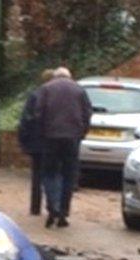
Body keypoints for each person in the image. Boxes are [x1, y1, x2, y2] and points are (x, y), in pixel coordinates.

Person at [35, 67, 91, 228]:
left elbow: (38, 114)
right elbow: (87, 114)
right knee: (69, 176)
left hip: (50, 137)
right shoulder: (79, 90)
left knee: (49, 173)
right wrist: (82, 134)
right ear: (69, 77)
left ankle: (53, 206)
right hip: (72, 138)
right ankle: (63, 212)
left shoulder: (46, 89)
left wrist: (41, 134)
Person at [17, 69, 54, 216]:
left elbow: (26, 119)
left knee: (37, 175)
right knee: (52, 174)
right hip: (52, 141)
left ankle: (35, 207)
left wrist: (24, 140)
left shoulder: (35, 95)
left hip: (36, 142)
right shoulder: (56, 96)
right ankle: (52, 206)